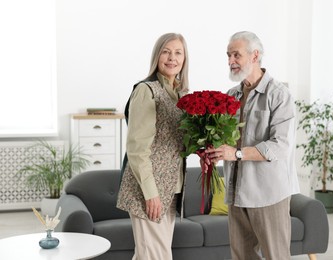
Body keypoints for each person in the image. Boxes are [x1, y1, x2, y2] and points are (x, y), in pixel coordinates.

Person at [205, 31, 300, 259]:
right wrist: (216, 151)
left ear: (255, 55)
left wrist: (236, 153)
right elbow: (227, 139)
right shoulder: (231, 95)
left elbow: (280, 146)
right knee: (242, 256)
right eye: (228, 55)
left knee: (275, 255)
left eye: (236, 55)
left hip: (269, 194)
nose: (230, 61)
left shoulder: (279, 95)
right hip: (237, 192)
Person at [117, 33, 189, 260]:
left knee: (150, 254)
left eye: (178, 52)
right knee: (156, 256)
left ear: (185, 59)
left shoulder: (180, 94)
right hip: (149, 191)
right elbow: (137, 149)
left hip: (170, 190)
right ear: (157, 55)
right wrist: (151, 194)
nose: (172, 58)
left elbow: (175, 143)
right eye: (166, 51)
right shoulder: (146, 91)